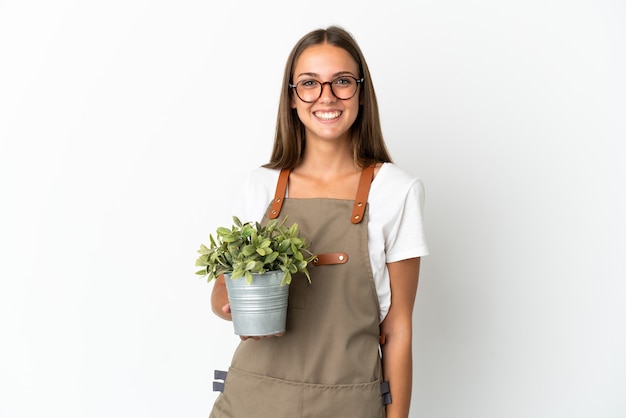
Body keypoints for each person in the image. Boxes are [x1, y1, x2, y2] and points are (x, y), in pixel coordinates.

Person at [209, 25, 428, 418]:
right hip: (252, 400)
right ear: (292, 98)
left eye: (342, 81)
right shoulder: (260, 186)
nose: (326, 97)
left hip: (349, 405)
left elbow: (398, 331)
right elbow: (222, 288)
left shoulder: (396, 190)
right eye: (309, 83)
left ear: (361, 92)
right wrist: (231, 304)